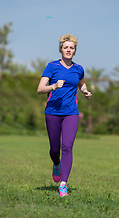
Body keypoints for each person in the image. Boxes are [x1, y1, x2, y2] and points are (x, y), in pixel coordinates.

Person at [37, 34, 92, 197]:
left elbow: (81, 83)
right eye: (66, 47)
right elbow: (40, 89)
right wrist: (53, 86)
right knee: (55, 150)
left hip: (71, 113)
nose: (69, 50)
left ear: (75, 51)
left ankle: (63, 185)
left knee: (67, 147)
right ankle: (56, 163)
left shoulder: (79, 68)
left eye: (72, 48)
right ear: (61, 49)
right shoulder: (52, 66)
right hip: (52, 112)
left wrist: (85, 91)